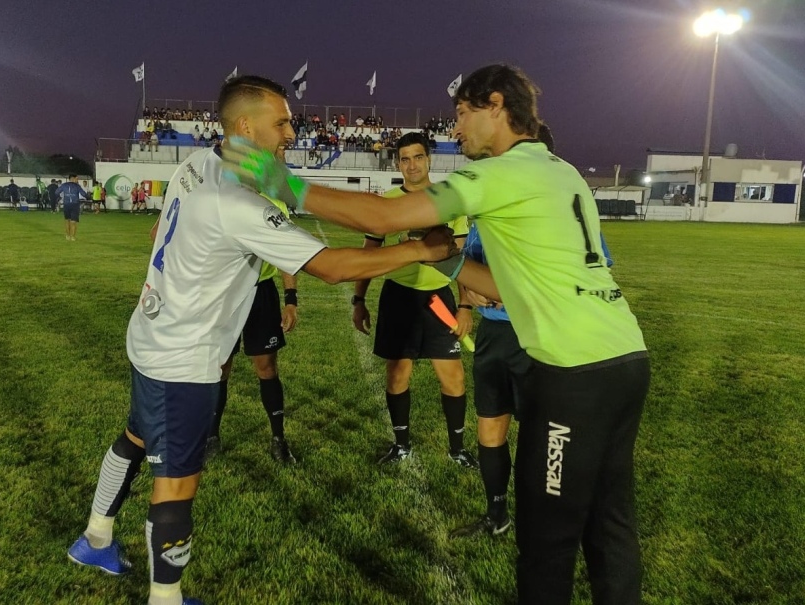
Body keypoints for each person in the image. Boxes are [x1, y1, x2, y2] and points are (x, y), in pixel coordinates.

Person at [223, 63, 651, 605]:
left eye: (462, 114)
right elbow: (507, 287)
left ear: (496, 105)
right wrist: (442, 262)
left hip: (574, 377)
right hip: (624, 359)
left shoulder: (500, 173)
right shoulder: (561, 172)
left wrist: (278, 181)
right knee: (611, 524)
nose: (456, 130)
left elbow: (384, 215)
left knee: (547, 540)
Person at [66, 75, 456, 605]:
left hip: (152, 335)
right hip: (184, 357)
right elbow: (334, 267)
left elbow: (163, 232)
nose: (293, 131)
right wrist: (419, 252)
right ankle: (164, 597)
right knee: (177, 482)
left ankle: (95, 538)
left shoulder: (196, 163)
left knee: (136, 436)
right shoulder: (236, 202)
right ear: (246, 127)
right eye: (282, 122)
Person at [451, 123, 616, 538]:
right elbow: (470, 264)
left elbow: (594, 268)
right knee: (490, 427)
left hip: (540, 338)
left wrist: (527, 293)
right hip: (494, 336)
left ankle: (546, 520)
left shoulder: (558, 204)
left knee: (543, 437)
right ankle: (497, 515)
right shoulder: (488, 209)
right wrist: (471, 298)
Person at [352, 132, 476, 468]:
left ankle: (457, 448)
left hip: (439, 300)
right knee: (397, 375)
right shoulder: (388, 203)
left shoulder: (450, 201)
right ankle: (401, 445)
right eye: (405, 159)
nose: (412, 165)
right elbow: (368, 255)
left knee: (453, 377)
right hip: (399, 299)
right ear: (397, 163)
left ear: (429, 159)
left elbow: (463, 260)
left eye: (418, 157)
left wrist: (465, 306)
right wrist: (358, 300)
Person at [58, 175, 87, 241]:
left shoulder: (64, 185)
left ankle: (67, 236)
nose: (77, 180)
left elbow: (57, 192)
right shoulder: (77, 186)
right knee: (73, 221)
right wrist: (88, 197)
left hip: (66, 204)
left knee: (67, 220)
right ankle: (73, 237)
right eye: (77, 179)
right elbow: (84, 194)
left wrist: (63, 196)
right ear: (73, 179)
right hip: (75, 205)